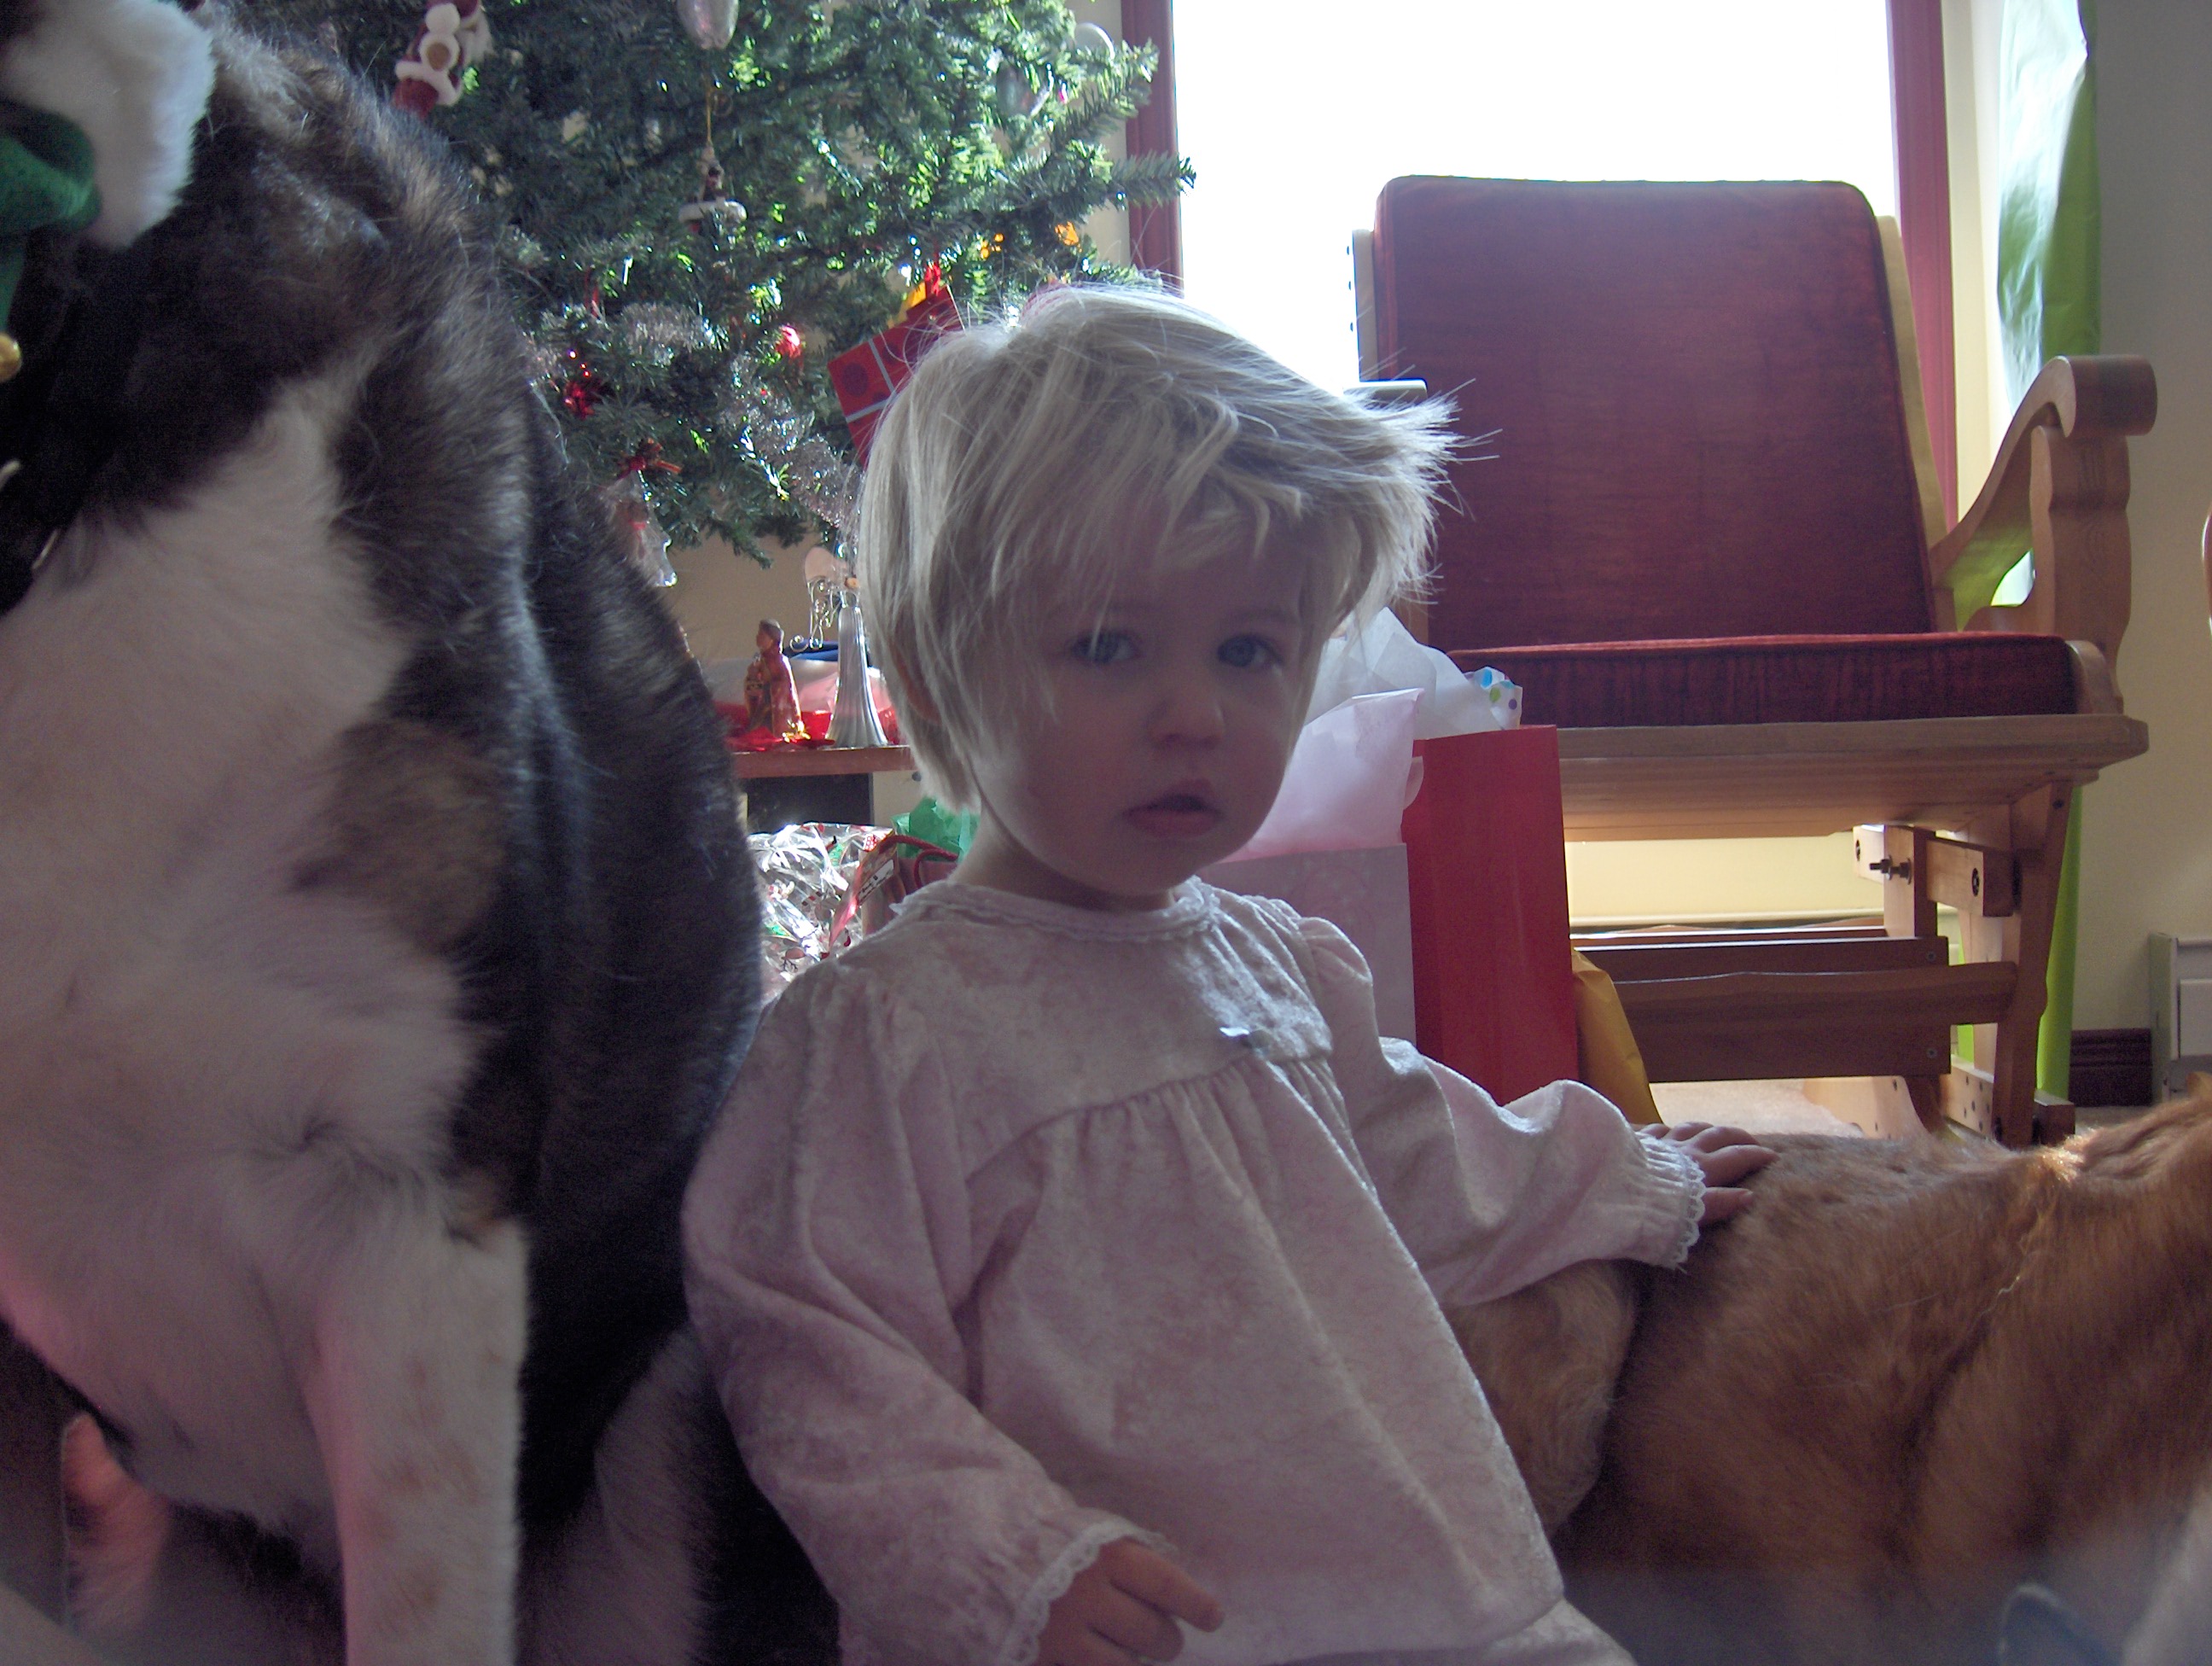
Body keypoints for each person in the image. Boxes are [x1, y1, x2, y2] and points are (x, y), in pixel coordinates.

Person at [684, 285, 1773, 1666]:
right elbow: (808, 1348)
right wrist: (1007, 1561)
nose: (1196, 713)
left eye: (1250, 649)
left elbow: (1433, 1156)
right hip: (1113, 1627)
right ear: (942, 678)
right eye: (1110, 645)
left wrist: (1629, 1177)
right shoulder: (886, 1037)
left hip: (1429, 1597)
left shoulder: (1278, 964)